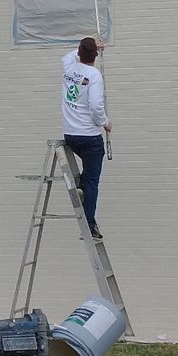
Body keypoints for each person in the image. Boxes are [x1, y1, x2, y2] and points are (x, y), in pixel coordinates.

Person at [60, 36, 110, 239]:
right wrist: (105, 123)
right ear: (96, 55)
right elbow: (96, 106)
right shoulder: (94, 75)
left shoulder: (69, 69)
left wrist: (86, 46)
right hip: (89, 136)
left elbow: (67, 56)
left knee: (86, 180)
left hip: (70, 135)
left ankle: (81, 189)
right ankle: (89, 225)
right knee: (92, 180)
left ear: (79, 52)